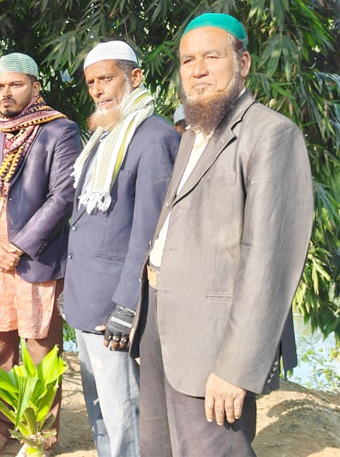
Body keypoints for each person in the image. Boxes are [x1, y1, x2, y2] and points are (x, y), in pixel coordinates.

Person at [136, 13, 313, 456]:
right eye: (187, 60)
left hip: (212, 340)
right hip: (161, 320)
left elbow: (268, 261)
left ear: (244, 62)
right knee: (158, 447)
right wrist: (144, 321)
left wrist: (237, 367)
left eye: (211, 57)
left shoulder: (270, 134)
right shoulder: (195, 132)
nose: (197, 70)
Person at [0, 53, 81, 456]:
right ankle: (4, 425)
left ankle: (40, 434)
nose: (6, 93)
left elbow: (63, 196)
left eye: (15, 84)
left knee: (41, 349)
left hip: (34, 257)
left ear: (35, 87)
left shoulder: (60, 131)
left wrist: (17, 245)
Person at [63, 41, 179, 457]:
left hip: (115, 304)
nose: (97, 89)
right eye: (91, 82)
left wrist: (127, 306)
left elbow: (150, 232)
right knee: (99, 409)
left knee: (123, 410)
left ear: (135, 77)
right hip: (85, 296)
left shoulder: (154, 137)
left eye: (106, 78)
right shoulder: (104, 137)